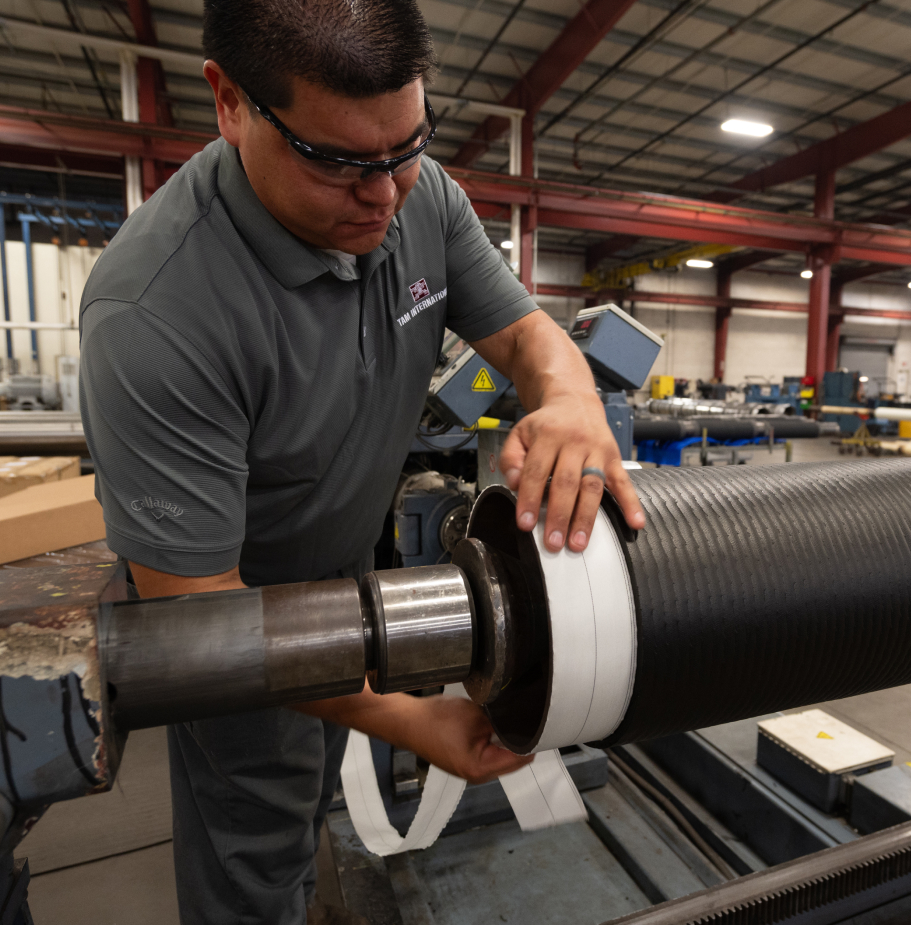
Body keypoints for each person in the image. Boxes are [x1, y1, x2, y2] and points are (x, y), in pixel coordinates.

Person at [79, 0, 645, 921]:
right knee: (255, 843)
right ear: (229, 103)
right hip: (239, 623)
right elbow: (202, 618)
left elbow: (526, 333)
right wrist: (408, 714)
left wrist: (572, 399)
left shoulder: (420, 196)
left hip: (349, 576)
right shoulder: (156, 317)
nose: (384, 194)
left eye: (407, 145)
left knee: (310, 804)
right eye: (338, 162)